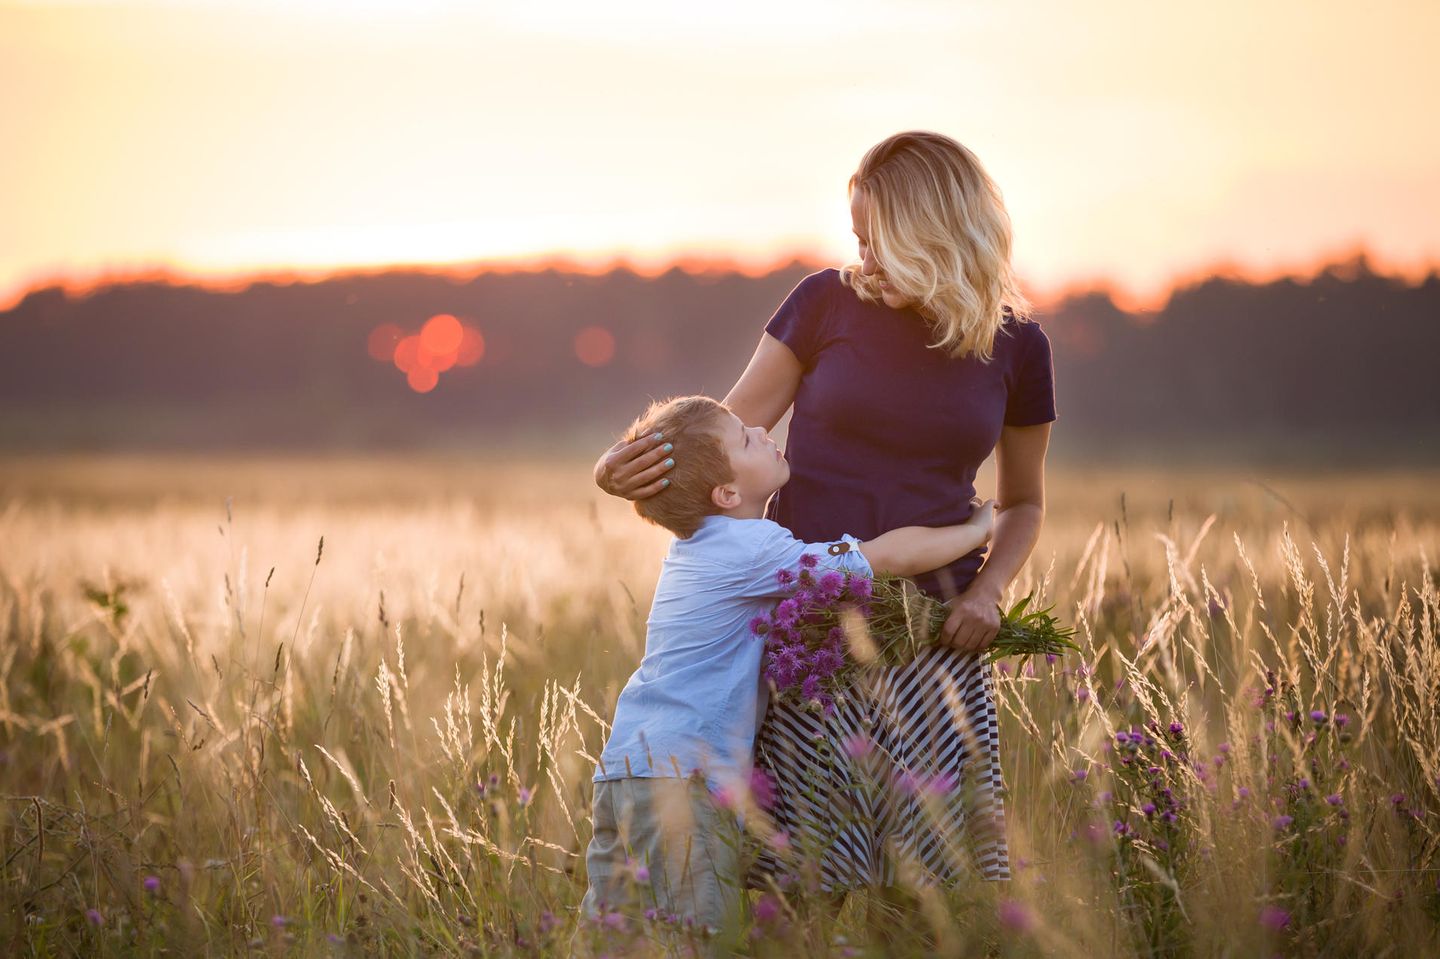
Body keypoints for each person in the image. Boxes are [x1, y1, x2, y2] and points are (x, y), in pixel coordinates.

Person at [593, 131, 1057, 895]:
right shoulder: (824, 303)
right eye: (858, 238)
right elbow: (722, 440)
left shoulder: (1017, 347)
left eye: (879, 241)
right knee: (799, 885)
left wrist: (988, 590)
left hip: (936, 639)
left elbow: (1024, 502)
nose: (863, 258)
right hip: (810, 639)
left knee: (934, 891)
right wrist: (623, 466)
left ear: (935, 235)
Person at [581, 393, 996, 951]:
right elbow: (887, 557)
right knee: (700, 939)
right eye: (745, 438)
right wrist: (975, 533)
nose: (760, 428)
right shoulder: (751, 548)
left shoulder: (698, 548)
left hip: (628, 770)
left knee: (618, 936)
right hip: (685, 780)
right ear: (726, 494)